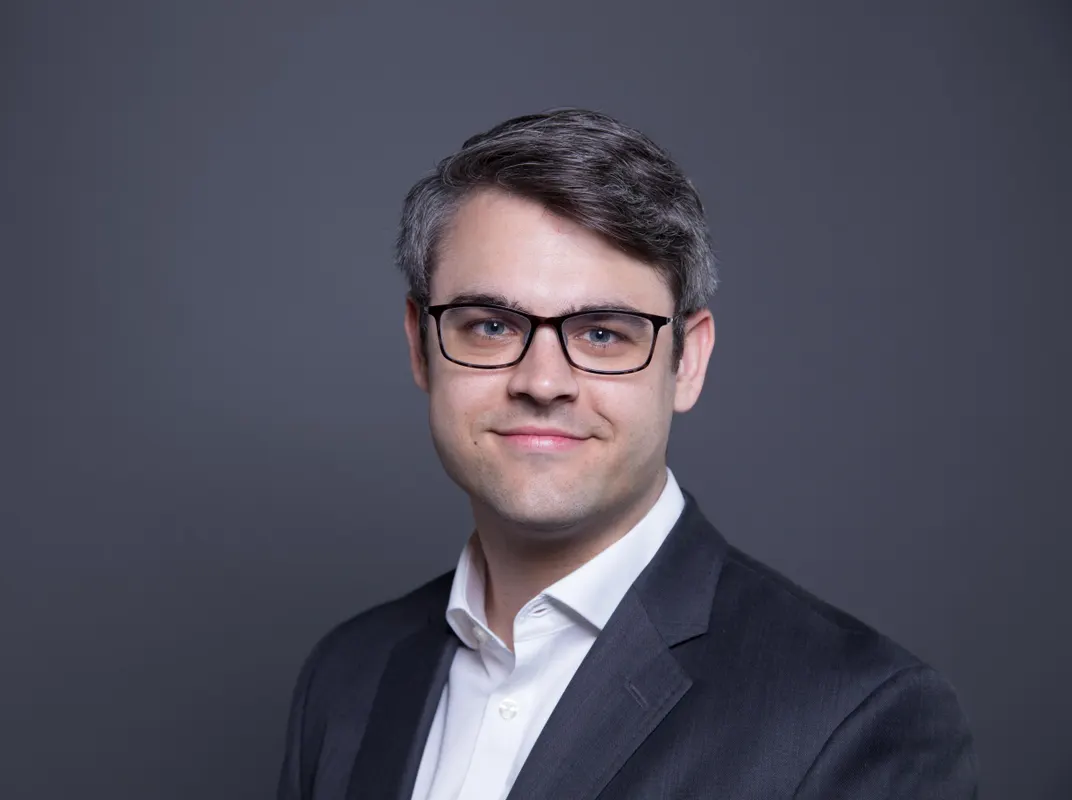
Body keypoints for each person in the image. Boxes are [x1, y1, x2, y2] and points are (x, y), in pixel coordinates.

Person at [276, 108, 978, 799]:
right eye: (490, 326)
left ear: (687, 362)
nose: (542, 382)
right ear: (420, 344)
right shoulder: (348, 675)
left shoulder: (855, 717)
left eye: (603, 334)